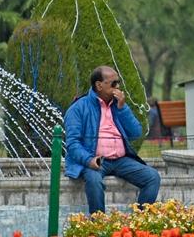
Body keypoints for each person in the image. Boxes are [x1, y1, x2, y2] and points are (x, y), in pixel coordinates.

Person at [63, 66, 161, 213]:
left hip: (121, 160)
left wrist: (122, 108)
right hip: (95, 160)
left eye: (118, 83)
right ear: (99, 85)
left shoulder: (118, 105)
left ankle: (139, 223)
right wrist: (89, 160)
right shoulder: (78, 108)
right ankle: (99, 226)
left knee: (152, 177)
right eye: (113, 83)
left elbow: (136, 132)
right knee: (94, 181)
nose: (118, 87)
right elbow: (72, 143)